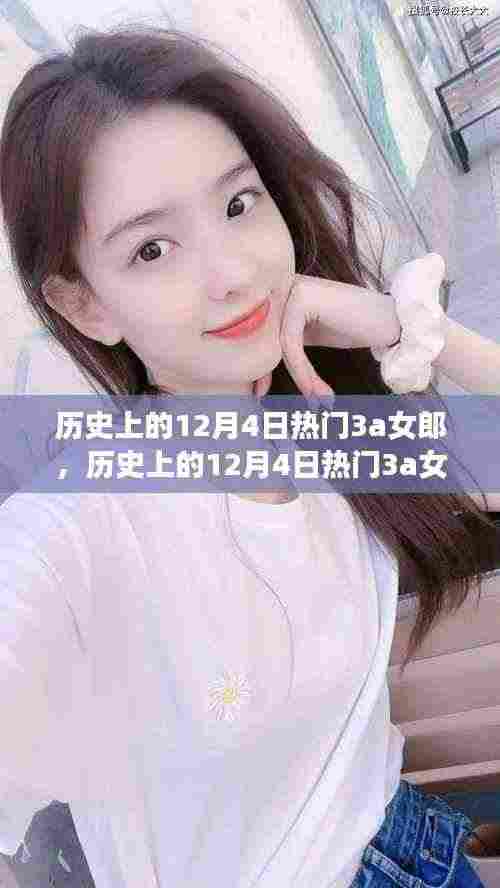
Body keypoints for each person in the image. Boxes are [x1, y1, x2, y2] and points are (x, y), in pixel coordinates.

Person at [0, 24, 499, 888]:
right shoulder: (76, 524)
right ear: (85, 306)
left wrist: (403, 327)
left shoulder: (314, 417)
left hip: (421, 839)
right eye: (152, 249)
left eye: (238, 204)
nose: (233, 273)